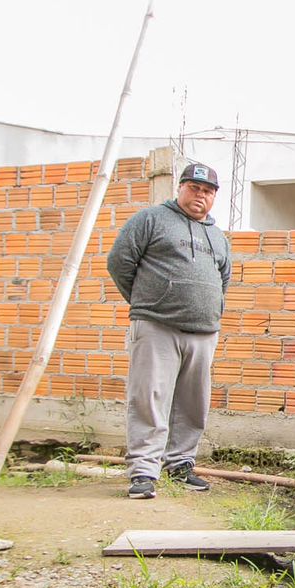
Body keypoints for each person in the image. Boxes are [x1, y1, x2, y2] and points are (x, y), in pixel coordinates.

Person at [106, 161, 232, 499]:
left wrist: (211, 310)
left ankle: (180, 464)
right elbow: (119, 263)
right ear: (180, 188)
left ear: (214, 197)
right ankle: (144, 472)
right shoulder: (150, 220)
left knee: (193, 403)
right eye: (194, 188)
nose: (200, 196)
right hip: (156, 326)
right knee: (149, 397)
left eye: (207, 191)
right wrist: (147, 302)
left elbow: (223, 279)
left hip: (203, 332)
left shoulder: (218, 237)